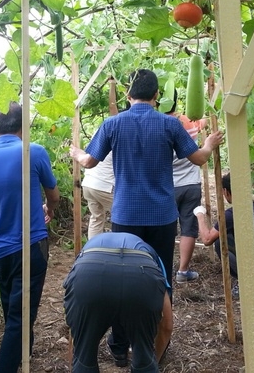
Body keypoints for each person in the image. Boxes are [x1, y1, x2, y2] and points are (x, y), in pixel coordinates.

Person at [70, 68, 223, 359]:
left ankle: (118, 346)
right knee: (160, 277)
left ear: (128, 96)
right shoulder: (170, 125)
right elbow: (199, 158)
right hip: (162, 217)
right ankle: (155, 344)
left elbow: (89, 162)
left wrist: (75, 152)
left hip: (125, 216)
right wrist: (209, 144)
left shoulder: (112, 125)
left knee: (123, 278)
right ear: (156, 96)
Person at [0, 102, 60, 373]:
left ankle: (24, 360)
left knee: (14, 313)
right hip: (30, 247)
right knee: (19, 320)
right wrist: (49, 208)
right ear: (23, 128)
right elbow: (54, 196)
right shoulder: (34, 152)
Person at [63, 232, 173, 372]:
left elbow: (74, 326)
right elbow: (167, 325)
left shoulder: (86, 252)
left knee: (83, 359)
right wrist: (151, 361)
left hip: (88, 274)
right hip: (142, 278)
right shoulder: (153, 257)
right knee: (144, 360)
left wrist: (79, 356)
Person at [195, 172, 254, 297]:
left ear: (226, 191)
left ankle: (245, 281)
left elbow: (207, 239)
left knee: (220, 242)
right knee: (225, 235)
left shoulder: (233, 214)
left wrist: (200, 215)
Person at [165, 94, 208, 283]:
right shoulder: (188, 121)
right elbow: (202, 122)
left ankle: (162, 268)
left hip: (168, 186)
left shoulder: (159, 126)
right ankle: (182, 271)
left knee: (166, 228)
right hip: (190, 183)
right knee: (188, 228)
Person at [81, 78, 118, 239]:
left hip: (88, 184)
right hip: (104, 186)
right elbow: (113, 110)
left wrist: (112, 85)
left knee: (96, 218)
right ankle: (121, 250)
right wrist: (112, 86)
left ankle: (91, 252)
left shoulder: (100, 131)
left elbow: (112, 110)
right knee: (122, 216)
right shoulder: (116, 130)